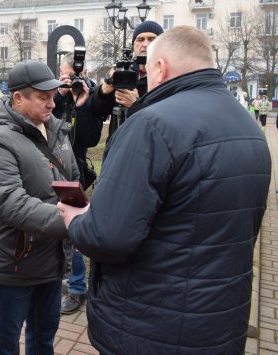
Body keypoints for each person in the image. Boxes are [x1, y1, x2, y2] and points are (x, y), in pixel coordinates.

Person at [58, 26, 271, 354]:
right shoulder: (249, 128)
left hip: (151, 326)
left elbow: (108, 237)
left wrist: (76, 219)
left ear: (160, 67)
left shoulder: (151, 124)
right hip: (220, 324)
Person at [0, 60, 80, 355]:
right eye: (43, 96)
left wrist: (79, 215)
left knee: (43, 339)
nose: (52, 102)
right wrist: (74, 221)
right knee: (3, 344)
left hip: (52, 261)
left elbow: (72, 182)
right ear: (18, 97)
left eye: (52, 95)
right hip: (15, 265)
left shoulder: (56, 130)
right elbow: (10, 203)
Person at [53, 54, 104, 315]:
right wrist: (60, 95)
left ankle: (76, 288)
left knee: (72, 232)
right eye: (64, 75)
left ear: (83, 74)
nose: (69, 80)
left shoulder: (91, 97)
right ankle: (57, 278)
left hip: (75, 173)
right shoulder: (54, 96)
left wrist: (81, 105)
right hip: (49, 169)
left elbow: (91, 139)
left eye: (73, 76)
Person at [91, 20, 164, 140]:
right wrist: (104, 91)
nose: (145, 44)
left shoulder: (167, 76)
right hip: (118, 144)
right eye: (140, 39)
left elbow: (165, 123)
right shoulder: (122, 72)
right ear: (134, 45)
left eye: (151, 39)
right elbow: (98, 111)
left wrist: (136, 105)